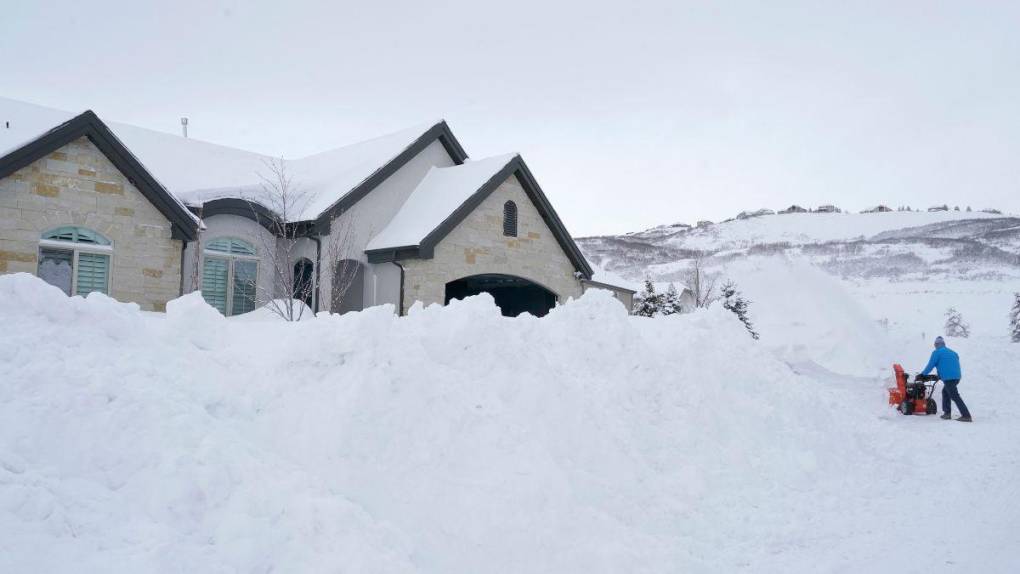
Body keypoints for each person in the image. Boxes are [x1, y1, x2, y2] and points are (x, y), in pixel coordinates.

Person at [920, 336, 972, 422]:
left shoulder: (936, 353)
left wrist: (922, 374)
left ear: (936, 345)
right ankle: (947, 413)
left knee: (955, 396)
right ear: (944, 344)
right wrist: (940, 375)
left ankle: (966, 415)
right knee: (945, 392)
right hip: (957, 377)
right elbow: (947, 364)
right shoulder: (953, 352)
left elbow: (931, 365)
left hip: (949, 378)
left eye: (935, 345)